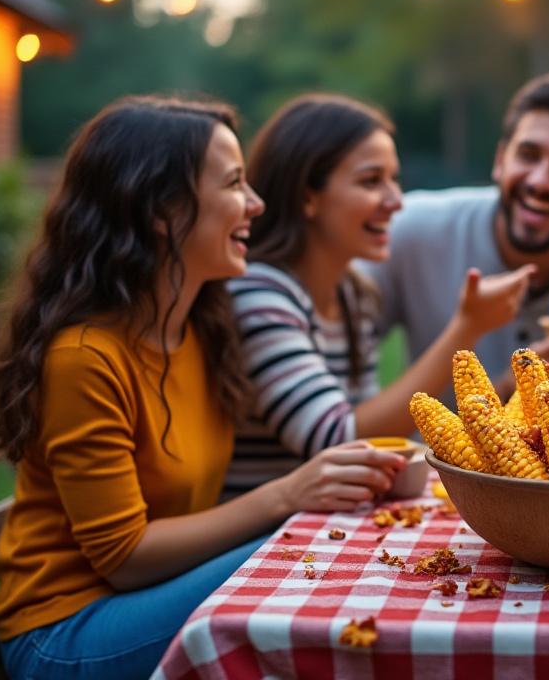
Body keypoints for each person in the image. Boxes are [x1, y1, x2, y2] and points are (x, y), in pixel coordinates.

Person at [0, 97, 403, 680]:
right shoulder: (86, 358)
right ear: (163, 210)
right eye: (233, 184)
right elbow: (123, 558)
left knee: (320, 556)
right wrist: (286, 495)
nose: (256, 203)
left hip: (144, 599)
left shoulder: (202, 332)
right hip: (65, 632)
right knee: (302, 559)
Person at [223, 93, 532, 492]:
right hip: (270, 525)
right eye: (371, 181)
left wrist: (505, 393)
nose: (395, 201)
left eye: (393, 179)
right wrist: (466, 329)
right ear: (307, 197)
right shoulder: (260, 296)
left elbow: (371, 434)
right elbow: (339, 438)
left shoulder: (354, 294)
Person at [357, 70, 549, 387]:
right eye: (528, 155)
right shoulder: (408, 233)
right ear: (500, 160)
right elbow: (340, 397)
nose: (540, 181)